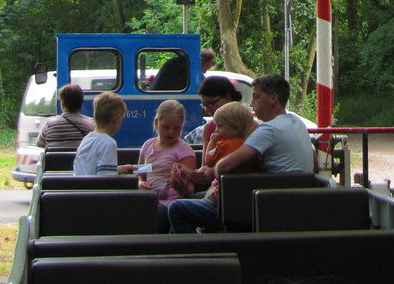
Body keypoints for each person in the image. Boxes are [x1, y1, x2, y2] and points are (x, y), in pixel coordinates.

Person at [168, 74, 312, 233]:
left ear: (273, 98)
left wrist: (213, 167)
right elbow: (315, 162)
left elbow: (223, 167)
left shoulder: (269, 130)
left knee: (177, 209)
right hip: (296, 202)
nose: (252, 103)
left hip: (264, 206)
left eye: (256, 97)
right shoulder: (297, 123)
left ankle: (196, 248)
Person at [137, 100, 197, 231]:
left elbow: (189, 191)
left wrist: (180, 186)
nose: (171, 132)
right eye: (166, 127)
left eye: (176, 128)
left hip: (171, 204)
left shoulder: (184, 150)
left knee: (153, 214)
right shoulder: (148, 145)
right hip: (149, 199)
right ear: (156, 123)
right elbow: (141, 172)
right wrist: (141, 182)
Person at [73, 91, 126, 176]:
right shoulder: (108, 143)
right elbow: (106, 178)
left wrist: (117, 170)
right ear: (116, 119)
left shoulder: (86, 140)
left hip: (80, 184)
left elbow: (90, 170)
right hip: (94, 185)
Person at [37, 83, 95, 151]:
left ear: (62, 103)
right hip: (80, 158)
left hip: (56, 158)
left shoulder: (49, 124)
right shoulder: (91, 124)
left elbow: (39, 143)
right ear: (81, 103)